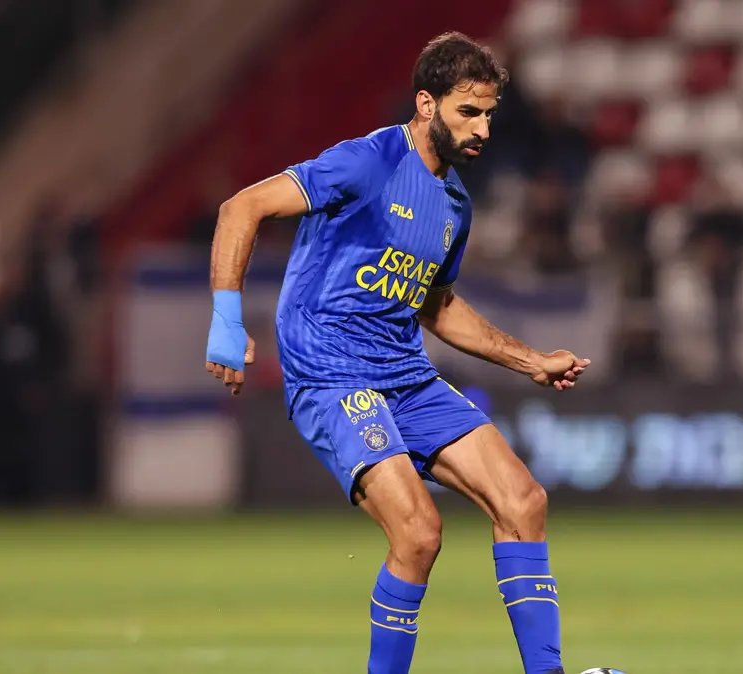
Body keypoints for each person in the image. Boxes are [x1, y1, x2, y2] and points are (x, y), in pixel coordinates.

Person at [203, 33, 587, 674]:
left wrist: (532, 362)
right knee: (418, 532)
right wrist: (225, 320)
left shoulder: (455, 203)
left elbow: (436, 306)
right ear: (426, 104)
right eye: (469, 112)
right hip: (331, 373)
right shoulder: (367, 162)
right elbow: (242, 207)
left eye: (490, 113)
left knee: (524, 501)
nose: (484, 129)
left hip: (406, 376)